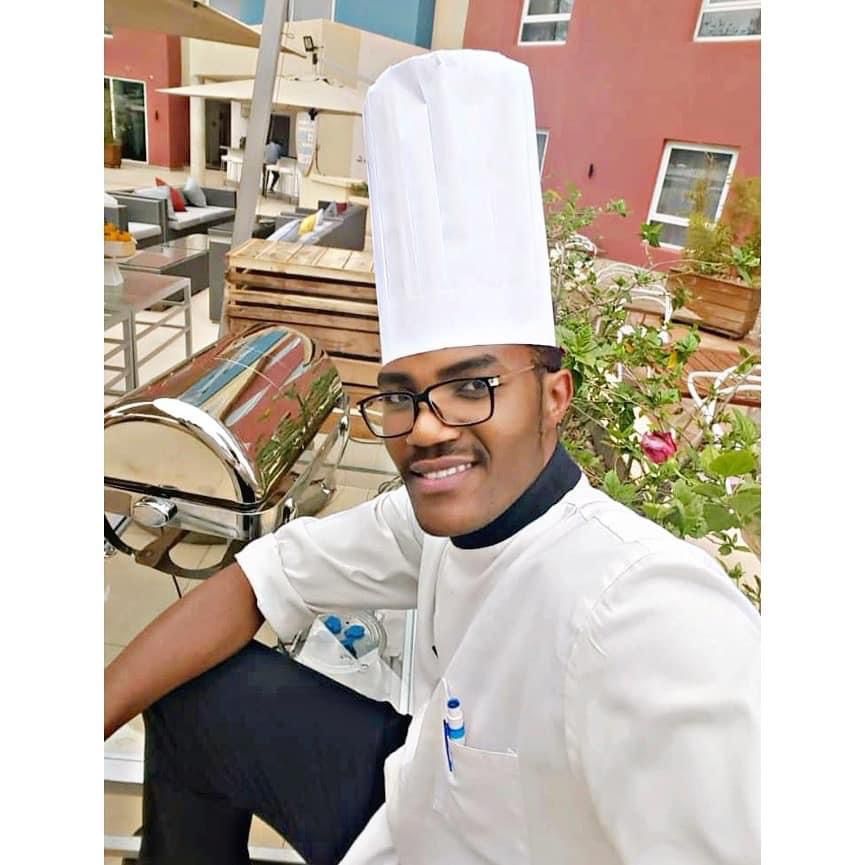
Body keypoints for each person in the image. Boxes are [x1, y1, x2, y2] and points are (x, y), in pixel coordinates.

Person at [105, 50, 760, 865]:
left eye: (472, 385)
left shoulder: (645, 619)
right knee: (194, 697)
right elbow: (260, 579)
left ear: (554, 397)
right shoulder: (444, 525)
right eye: (402, 394)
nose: (427, 427)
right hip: (411, 807)